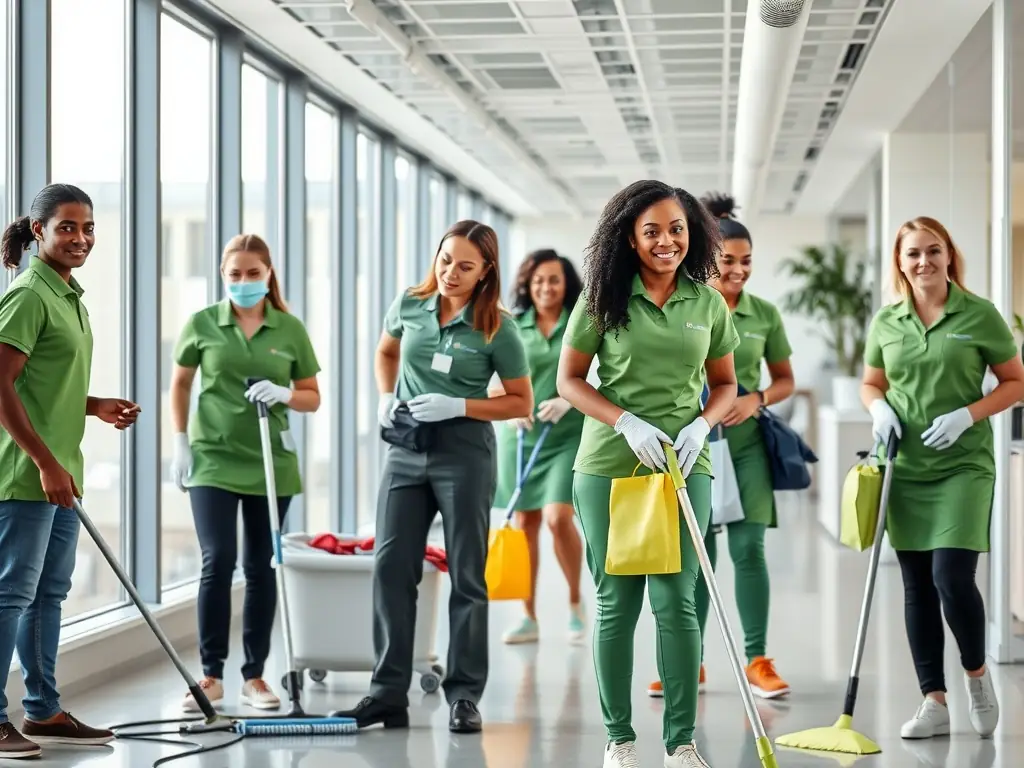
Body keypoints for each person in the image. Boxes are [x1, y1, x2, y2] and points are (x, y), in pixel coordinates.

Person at [556, 180, 739, 768]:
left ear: (694, 233)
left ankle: (681, 744)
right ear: (630, 239)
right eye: (652, 230)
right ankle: (619, 740)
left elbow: (727, 383)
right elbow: (570, 381)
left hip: (684, 468)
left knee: (677, 602)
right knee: (616, 604)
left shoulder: (707, 303)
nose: (667, 241)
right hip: (611, 466)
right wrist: (625, 421)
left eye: (677, 228)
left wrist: (702, 424)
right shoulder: (600, 301)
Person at [330, 220, 532, 735]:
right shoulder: (410, 304)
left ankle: (464, 695)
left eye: (465, 266)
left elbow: (519, 401)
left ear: (486, 270)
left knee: (467, 574)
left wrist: (459, 404)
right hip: (405, 453)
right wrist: (383, 394)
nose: (450, 273)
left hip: (464, 456)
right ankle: (386, 694)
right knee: (391, 568)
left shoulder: (497, 328)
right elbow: (386, 351)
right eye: (445, 260)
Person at [861, 216, 1024, 741]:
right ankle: (933, 700)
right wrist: (879, 409)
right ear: (900, 262)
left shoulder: (979, 315)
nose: (923, 262)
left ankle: (976, 676)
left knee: (952, 578)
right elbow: (871, 382)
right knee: (916, 587)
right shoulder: (887, 321)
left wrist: (969, 415)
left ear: (949, 254)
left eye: (933, 251)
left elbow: (1015, 382)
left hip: (963, 466)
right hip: (905, 467)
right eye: (913, 254)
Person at [0, 184, 141, 759]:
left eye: (86, 229)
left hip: (61, 470)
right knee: (11, 594)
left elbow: (43, 383)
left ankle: (44, 711)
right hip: (27, 473)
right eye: (66, 228)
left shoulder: (68, 293)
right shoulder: (31, 293)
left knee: (48, 594)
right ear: (39, 231)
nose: (80, 239)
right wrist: (44, 462)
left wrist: (93, 404)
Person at [647, 193, 794, 701]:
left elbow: (786, 380)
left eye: (746, 260)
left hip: (747, 444)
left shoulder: (764, 314)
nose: (738, 270)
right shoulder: (684, 307)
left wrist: (756, 399)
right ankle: (694, 662)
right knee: (698, 552)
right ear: (707, 258)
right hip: (692, 444)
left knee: (748, 549)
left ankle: (757, 659)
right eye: (728, 260)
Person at [169, 233, 322, 713]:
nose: (243, 282)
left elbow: (312, 396)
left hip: (270, 463)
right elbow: (180, 383)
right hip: (212, 458)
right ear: (222, 276)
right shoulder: (202, 324)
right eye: (234, 274)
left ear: (268, 274)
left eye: (253, 274)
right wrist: (179, 442)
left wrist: (284, 394)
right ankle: (210, 675)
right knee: (217, 561)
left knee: (260, 568)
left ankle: (254, 676)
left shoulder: (288, 329)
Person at [493, 249, 587, 646]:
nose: (545, 287)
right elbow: (491, 377)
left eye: (553, 280)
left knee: (556, 517)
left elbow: (604, 373)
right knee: (524, 525)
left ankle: (574, 603)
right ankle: (527, 615)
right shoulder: (510, 326)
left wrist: (569, 399)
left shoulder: (581, 323)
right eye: (538, 281)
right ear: (526, 286)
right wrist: (508, 406)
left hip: (566, 435)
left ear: (566, 285)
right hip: (521, 435)